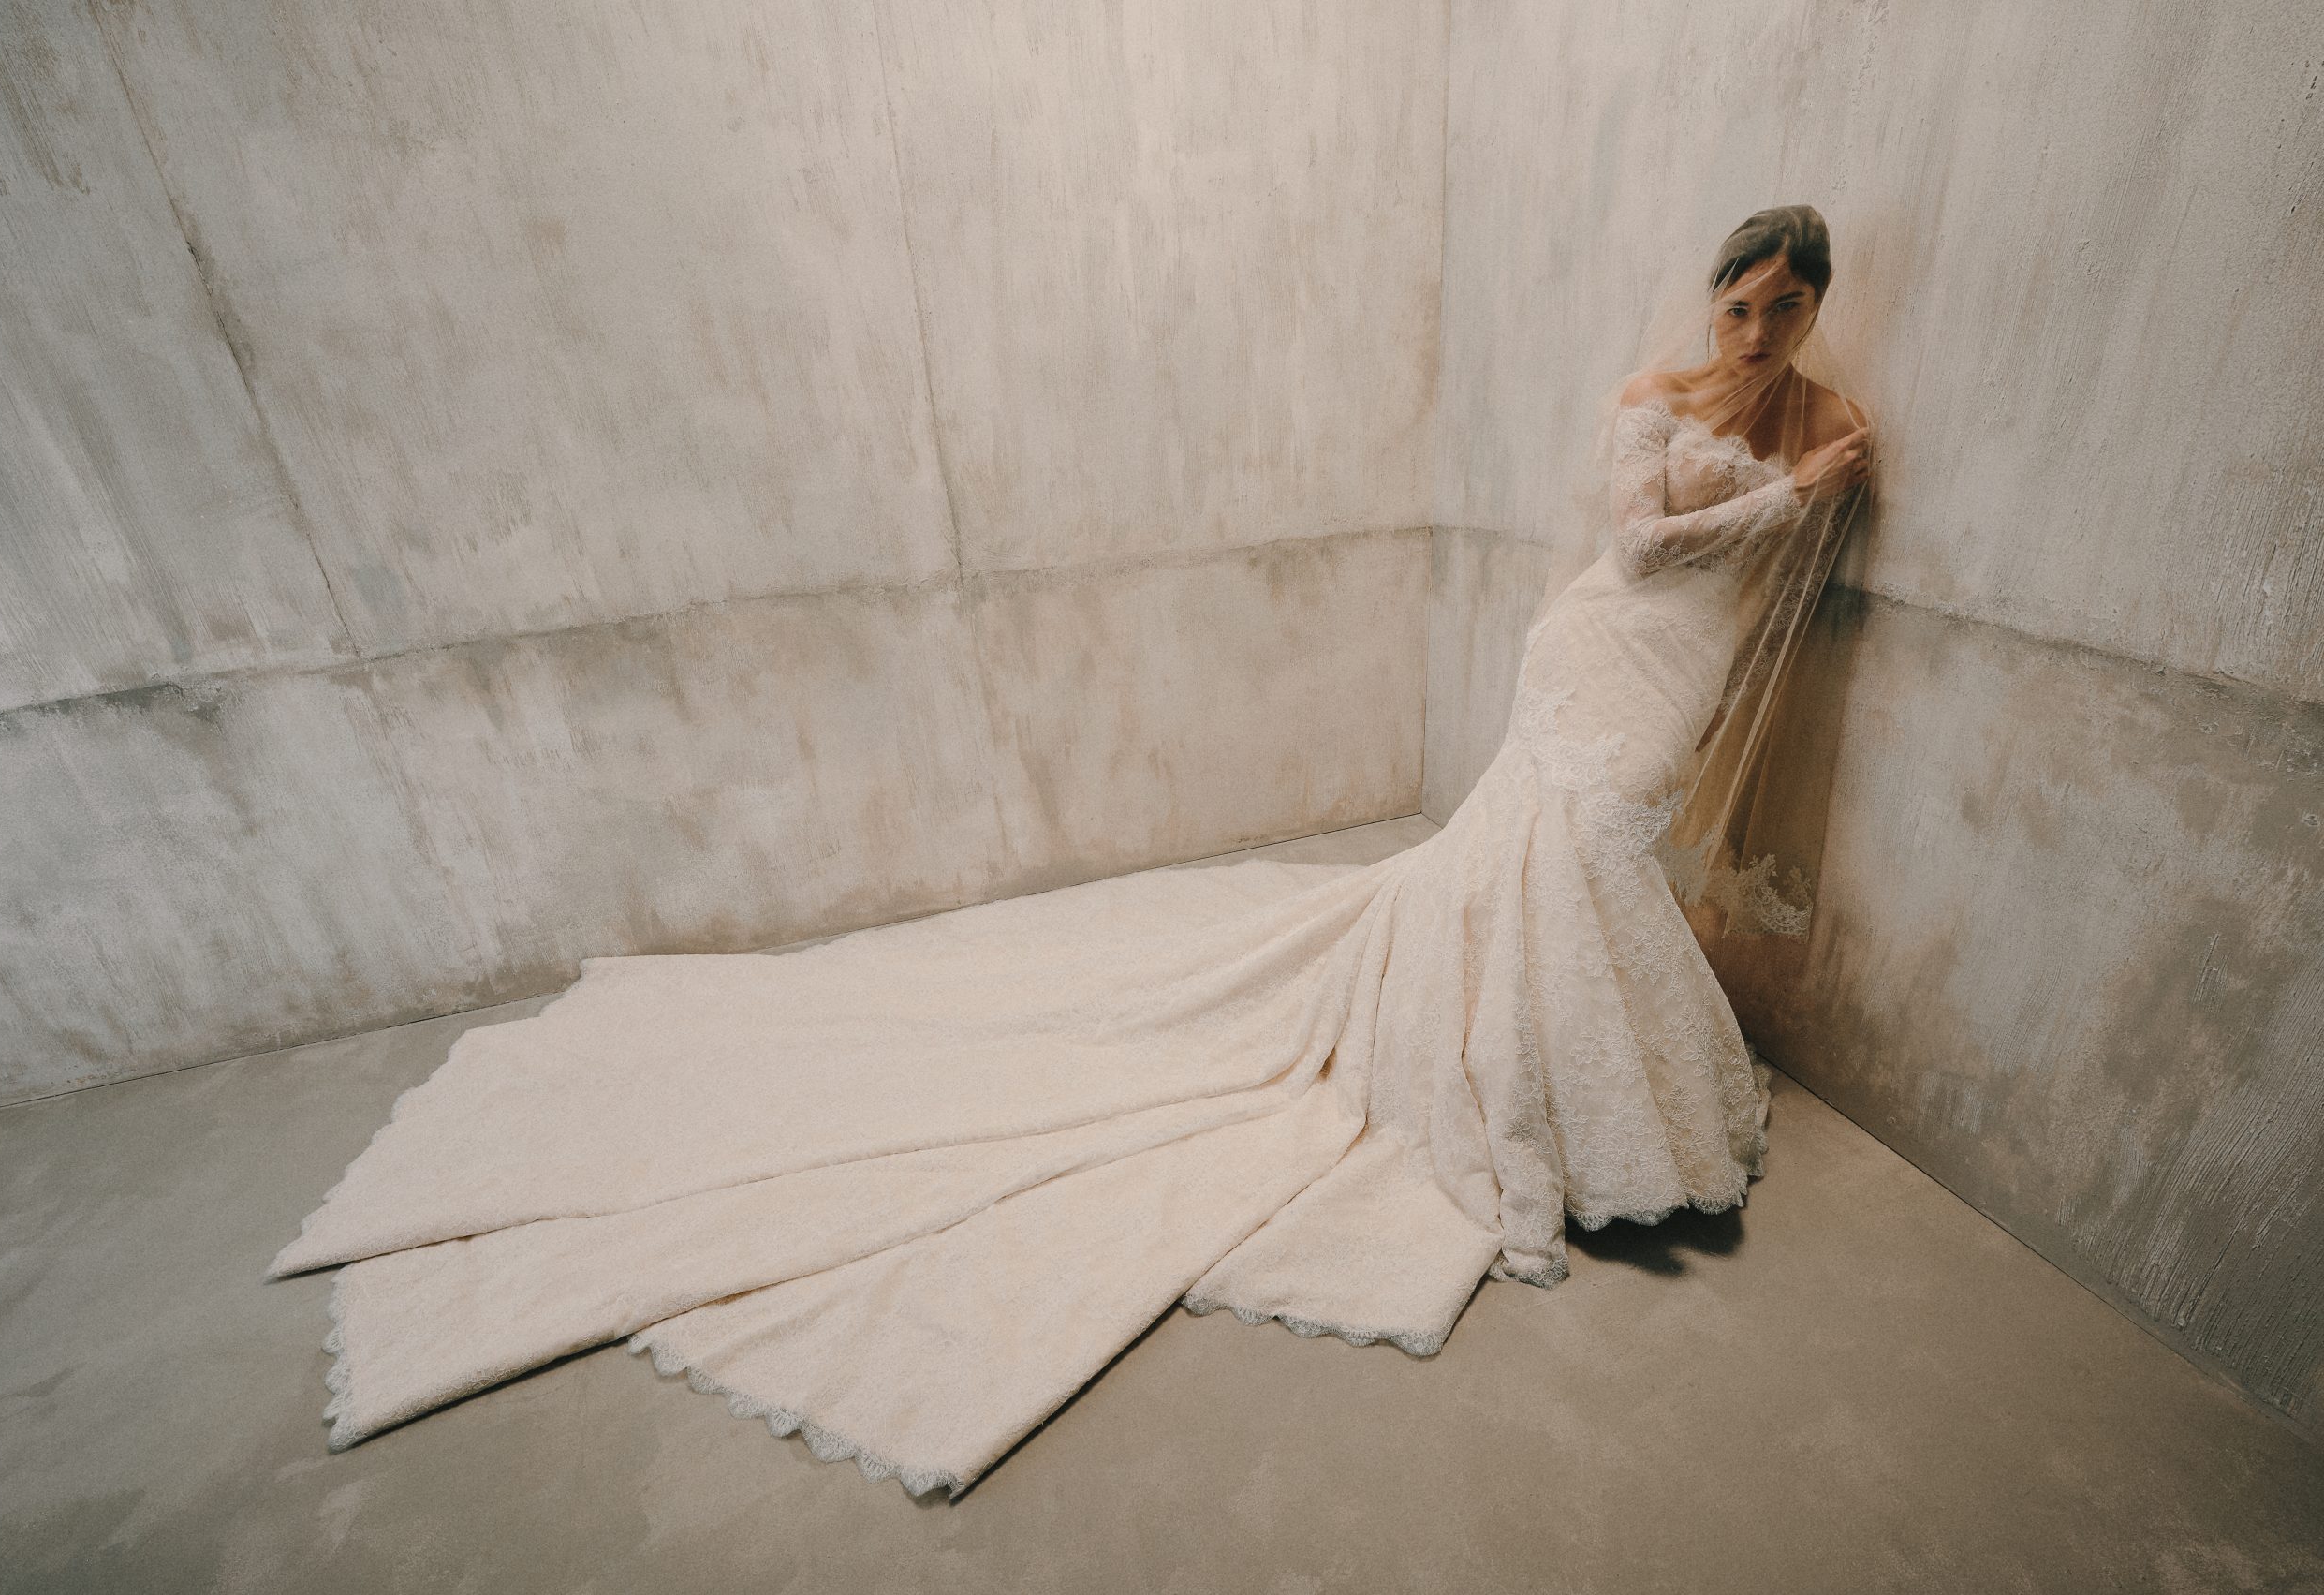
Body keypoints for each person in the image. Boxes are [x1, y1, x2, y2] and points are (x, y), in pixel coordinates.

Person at [272, 206, 1872, 1498]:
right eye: (1741, 303)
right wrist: (1784, 494)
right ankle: (1539, 1080)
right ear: (1712, 298)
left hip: (1678, 681)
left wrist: (1814, 473)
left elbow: (1799, 529)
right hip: (1596, 650)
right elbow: (1634, 548)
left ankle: (1603, 1081)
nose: (1758, 329)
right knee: (1557, 845)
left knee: (1582, 855)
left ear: (1811, 311)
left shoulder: (1826, 418)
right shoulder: (1654, 400)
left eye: (1787, 308)